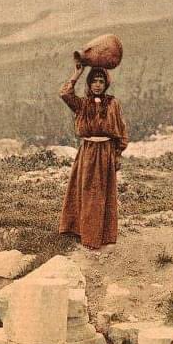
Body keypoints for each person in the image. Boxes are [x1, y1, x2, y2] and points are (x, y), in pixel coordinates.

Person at [58, 63, 128, 250]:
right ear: (89, 84)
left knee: (102, 195)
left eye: (101, 81)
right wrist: (77, 72)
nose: (97, 85)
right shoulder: (82, 104)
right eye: (94, 81)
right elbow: (65, 94)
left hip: (106, 151)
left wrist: (118, 153)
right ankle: (82, 232)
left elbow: (121, 129)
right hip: (87, 152)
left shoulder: (113, 104)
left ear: (106, 83)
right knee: (86, 192)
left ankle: (102, 235)